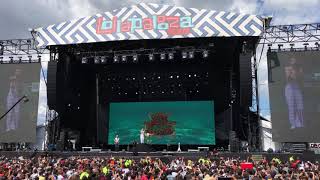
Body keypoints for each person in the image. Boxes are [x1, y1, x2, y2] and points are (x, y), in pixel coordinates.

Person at [284, 57, 304, 129]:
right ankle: (293, 124)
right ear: (290, 61)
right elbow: (289, 77)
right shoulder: (287, 68)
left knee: (300, 105)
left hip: (297, 87)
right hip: (289, 87)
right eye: (292, 60)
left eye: (294, 59)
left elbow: (300, 77)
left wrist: (298, 71)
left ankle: (300, 123)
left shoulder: (298, 68)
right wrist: (293, 71)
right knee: (291, 106)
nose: (293, 61)